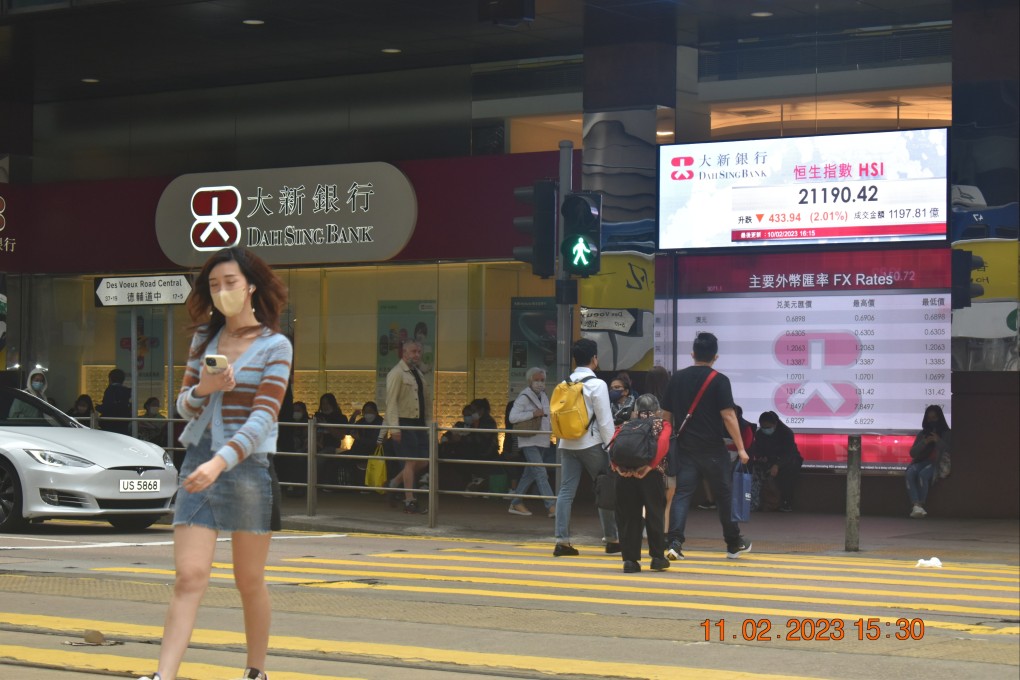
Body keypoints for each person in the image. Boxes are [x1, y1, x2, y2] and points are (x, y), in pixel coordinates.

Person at [138, 246, 291, 680]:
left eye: (230, 283)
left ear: (251, 287)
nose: (222, 291)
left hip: (245, 469)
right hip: (199, 460)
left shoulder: (275, 346)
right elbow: (182, 406)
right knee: (189, 577)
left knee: (248, 581)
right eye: (214, 285)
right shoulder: (204, 339)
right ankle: (163, 675)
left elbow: (264, 417)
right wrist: (203, 388)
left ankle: (255, 670)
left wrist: (221, 463)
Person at [661, 332, 751, 561]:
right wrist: (741, 449)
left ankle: (674, 542)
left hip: (685, 449)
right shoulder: (720, 381)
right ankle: (733, 544)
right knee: (724, 496)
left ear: (693, 354)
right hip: (713, 450)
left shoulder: (677, 379)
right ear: (715, 356)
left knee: (682, 494)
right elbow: (729, 416)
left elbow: (666, 416)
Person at [553, 338, 619, 557]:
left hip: (566, 443)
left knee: (565, 491)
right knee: (604, 488)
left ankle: (562, 541)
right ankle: (611, 538)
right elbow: (605, 420)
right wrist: (611, 448)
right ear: (594, 359)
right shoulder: (597, 384)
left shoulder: (564, 383)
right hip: (591, 444)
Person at [611, 394, 672, 573]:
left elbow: (613, 445)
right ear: (657, 410)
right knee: (654, 514)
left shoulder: (625, 425)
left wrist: (617, 467)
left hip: (625, 475)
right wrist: (649, 466)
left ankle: (630, 561)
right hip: (651, 476)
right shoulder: (662, 424)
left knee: (629, 517)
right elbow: (663, 446)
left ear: (636, 411)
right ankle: (657, 558)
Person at [382, 340, 431, 514]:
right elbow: (391, 402)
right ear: (404, 352)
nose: (417, 355)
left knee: (424, 461)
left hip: (418, 423)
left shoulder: (417, 372)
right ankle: (409, 499)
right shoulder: (397, 373)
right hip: (405, 421)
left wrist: (428, 423)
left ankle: (394, 483)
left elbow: (425, 401)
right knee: (410, 462)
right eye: (413, 351)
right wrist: (394, 428)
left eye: (419, 351)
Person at [507, 367, 555, 518]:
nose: (540, 383)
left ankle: (516, 502)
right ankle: (552, 506)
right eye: (537, 380)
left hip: (542, 439)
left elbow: (547, 417)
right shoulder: (523, 397)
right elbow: (512, 418)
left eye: (542, 380)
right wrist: (533, 414)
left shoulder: (544, 396)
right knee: (540, 472)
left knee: (530, 474)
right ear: (529, 381)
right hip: (529, 440)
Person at [699, 404, 755, 510]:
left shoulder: (745, 426)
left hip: (738, 459)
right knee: (706, 475)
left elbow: (746, 445)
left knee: (730, 478)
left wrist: (729, 445)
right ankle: (711, 500)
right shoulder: (719, 423)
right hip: (720, 455)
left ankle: (732, 503)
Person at [748, 411, 802, 513]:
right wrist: (760, 456)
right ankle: (758, 502)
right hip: (769, 459)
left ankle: (786, 502)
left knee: (789, 472)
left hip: (789, 460)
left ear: (775, 424)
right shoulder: (760, 434)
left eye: (768, 427)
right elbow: (758, 449)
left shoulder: (786, 433)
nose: (766, 429)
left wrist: (777, 465)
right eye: (763, 427)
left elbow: (789, 453)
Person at [906, 405, 951, 518]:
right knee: (910, 472)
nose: (931, 421)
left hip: (936, 463)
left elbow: (949, 450)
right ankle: (916, 505)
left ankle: (920, 504)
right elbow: (913, 453)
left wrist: (938, 441)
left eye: (934, 418)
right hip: (921, 461)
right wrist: (924, 442)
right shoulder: (923, 434)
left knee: (923, 475)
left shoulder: (946, 433)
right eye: (929, 418)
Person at [643, 366, 673, 529]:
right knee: (667, 493)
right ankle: (663, 528)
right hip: (665, 452)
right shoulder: (670, 401)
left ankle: (644, 526)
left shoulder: (641, 400)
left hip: (644, 451)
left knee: (645, 493)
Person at [98, 367, 132, 435]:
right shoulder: (127, 391)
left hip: (110, 423)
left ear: (110, 378)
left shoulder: (110, 390)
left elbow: (107, 406)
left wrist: (99, 408)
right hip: (123, 423)